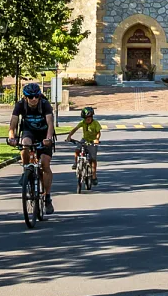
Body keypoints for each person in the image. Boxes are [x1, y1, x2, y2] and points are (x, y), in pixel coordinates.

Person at [8, 82, 56, 213]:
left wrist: (48, 138)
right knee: (25, 145)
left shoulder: (44, 104)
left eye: (36, 96)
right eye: (31, 97)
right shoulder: (20, 105)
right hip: (29, 132)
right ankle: (26, 171)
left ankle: (47, 197)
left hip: (44, 134)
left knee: (45, 165)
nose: (34, 99)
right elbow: (13, 121)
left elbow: (50, 123)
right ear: (25, 97)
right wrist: (11, 136)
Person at [65, 105, 102, 185]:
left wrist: (97, 139)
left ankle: (94, 176)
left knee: (93, 159)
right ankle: (76, 163)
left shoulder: (95, 123)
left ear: (92, 117)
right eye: (85, 119)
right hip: (84, 140)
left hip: (92, 141)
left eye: (88, 118)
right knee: (77, 150)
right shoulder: (83, 123)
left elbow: (98, 133)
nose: (87, 120)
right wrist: (69, 136)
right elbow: (75, 129)